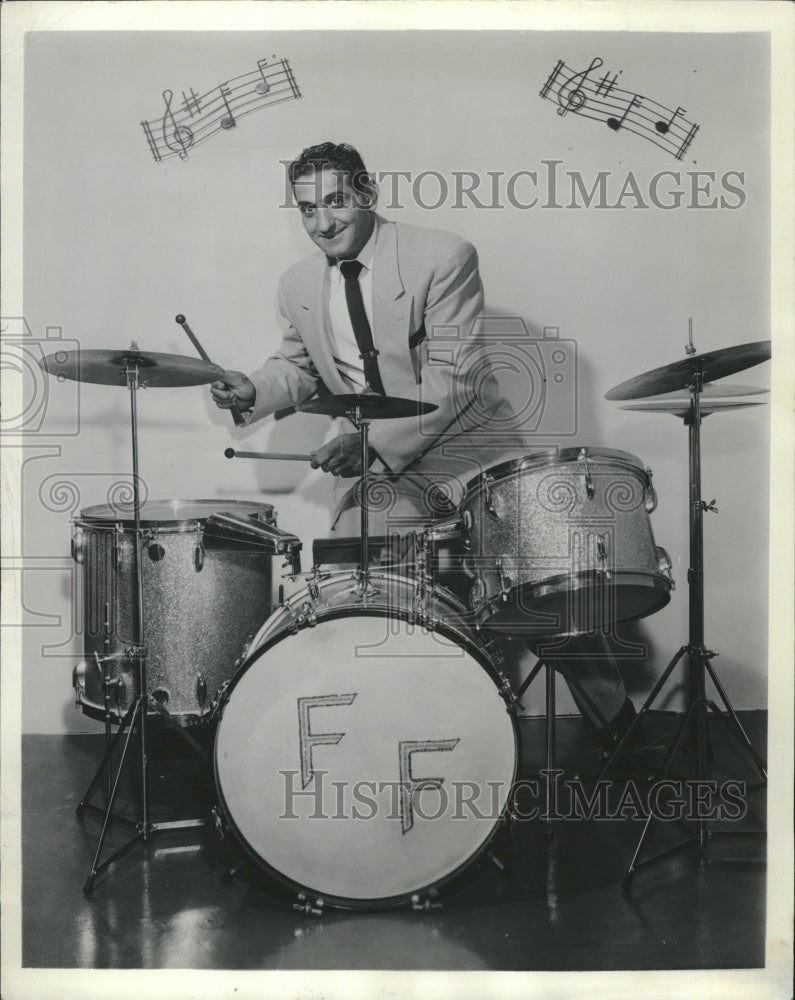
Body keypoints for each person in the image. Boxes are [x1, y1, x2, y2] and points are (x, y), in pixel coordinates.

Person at [211, 141, 638, 745]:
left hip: (473, 452)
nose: (323, 223)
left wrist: (374, 445)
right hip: (382, 470)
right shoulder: (297, 283)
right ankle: (409, 737)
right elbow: (299, 365)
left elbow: (454, 376)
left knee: (546, 592)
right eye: (307, 210)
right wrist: (250, 388)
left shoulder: (442, 255)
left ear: (367, 194)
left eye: (336, 202)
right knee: (359, 595)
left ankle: (618, 728)